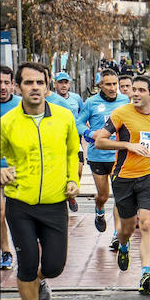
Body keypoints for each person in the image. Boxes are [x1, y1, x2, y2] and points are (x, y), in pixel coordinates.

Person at [0, 62, 81, 300]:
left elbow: (72, 151)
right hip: (19, 202)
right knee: (26, 263)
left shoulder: (64, 117)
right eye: (28, 83)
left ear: (47, 86)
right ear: (18, 87)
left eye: (39, 83)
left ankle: (43, 279)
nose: (34, 87)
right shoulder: (7, 122)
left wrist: (73, 179)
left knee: (54, 265)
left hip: (54, 201)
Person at [93, 75, 150, 295]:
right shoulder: (121, 113)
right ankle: (124, 244)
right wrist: (127, 145)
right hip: (124, 177)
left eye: (141, 90)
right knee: (127, 228)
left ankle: (146, 273)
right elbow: (100, 141)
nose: (135, 94)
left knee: (148, 223)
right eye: (133, 90)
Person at [75, 69, 130, 246]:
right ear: (100, 85)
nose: (113, 88)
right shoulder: (91, 103)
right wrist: (91, 133)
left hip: (117, 156)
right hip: (98, 155)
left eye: (115, 84)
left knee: (119, 196)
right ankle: (99, 210)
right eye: (108, 84)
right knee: (103, 195)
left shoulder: (124, 100)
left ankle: (116, 234)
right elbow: (78, 123)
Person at [49, 70, 85, 212]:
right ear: (55, 84)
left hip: (75, 138)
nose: (63, 85)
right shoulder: (50, 99)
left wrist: (86, 130)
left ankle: (72, 189)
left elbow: (82, 116)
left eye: (66, 82)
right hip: (57, 139)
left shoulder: (76, 98)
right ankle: (64, 194)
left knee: (79, 169)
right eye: (60, 82)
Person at [0, 66, 21, 270]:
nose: (3, 87)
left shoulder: (21, 106)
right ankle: (6, 251)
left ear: (13, 85)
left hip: (19, 169)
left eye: (7, 82)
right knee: (0, 211)